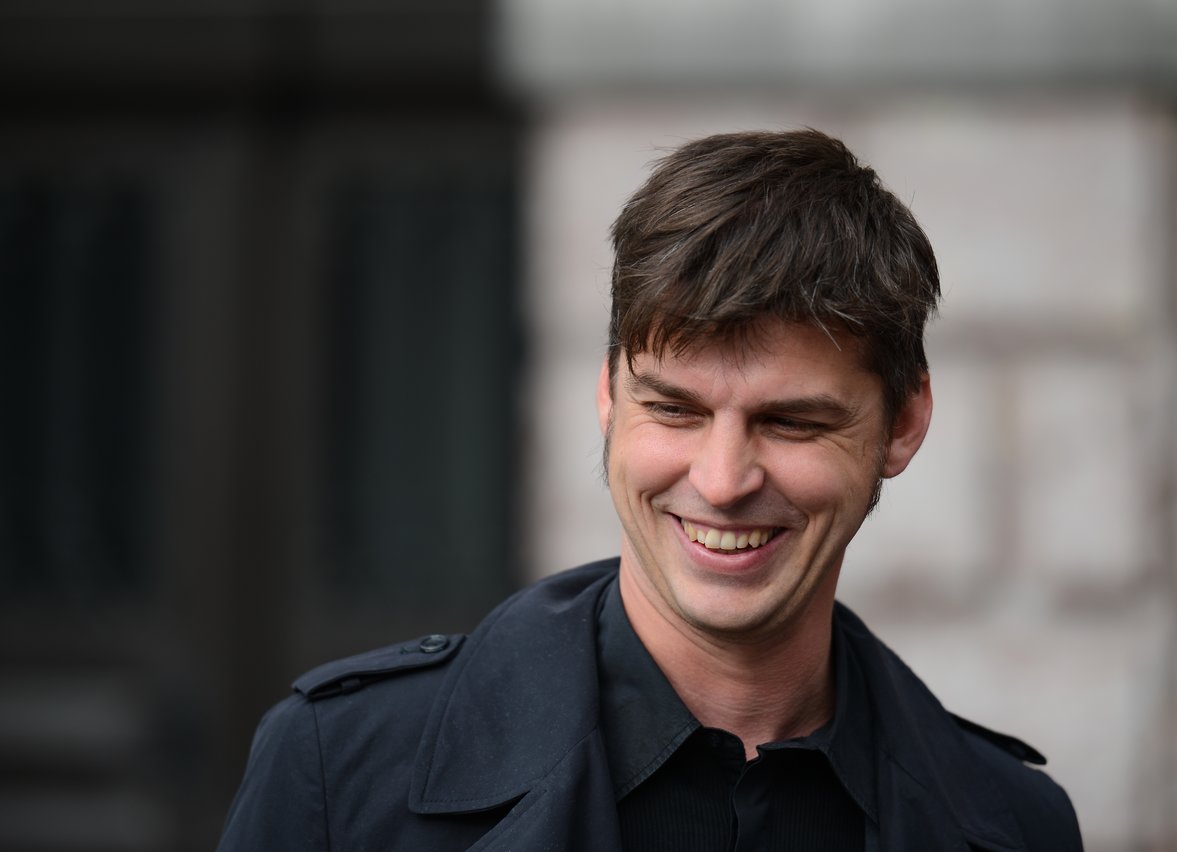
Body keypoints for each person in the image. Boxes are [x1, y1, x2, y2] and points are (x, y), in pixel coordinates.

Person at [217, 128, 1083, 851]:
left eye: (790, 423)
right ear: (607, 396)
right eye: (674, 409)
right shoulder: (342, 768)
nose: (721, 480)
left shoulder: (1015, 825)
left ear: (902, 423)